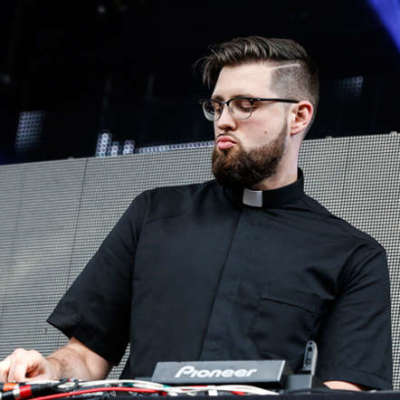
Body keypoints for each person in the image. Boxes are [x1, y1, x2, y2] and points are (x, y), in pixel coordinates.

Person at [0, 36, 392, 391]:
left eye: (246, 105)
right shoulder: (153, 215)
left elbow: (347, 389)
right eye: (217, 106)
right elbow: (86, 356)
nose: (224, 120)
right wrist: (49, 370)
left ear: (299, 116)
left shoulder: (352, 254)